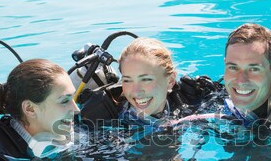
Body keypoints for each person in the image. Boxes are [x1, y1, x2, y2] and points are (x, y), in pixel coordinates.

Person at [78, 37, 220, 128]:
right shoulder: (103, 116)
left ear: (170, 81)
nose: (136, 91)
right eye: (127, 80)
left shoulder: (188, 99)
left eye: (146, 79)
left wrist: (213, 94)